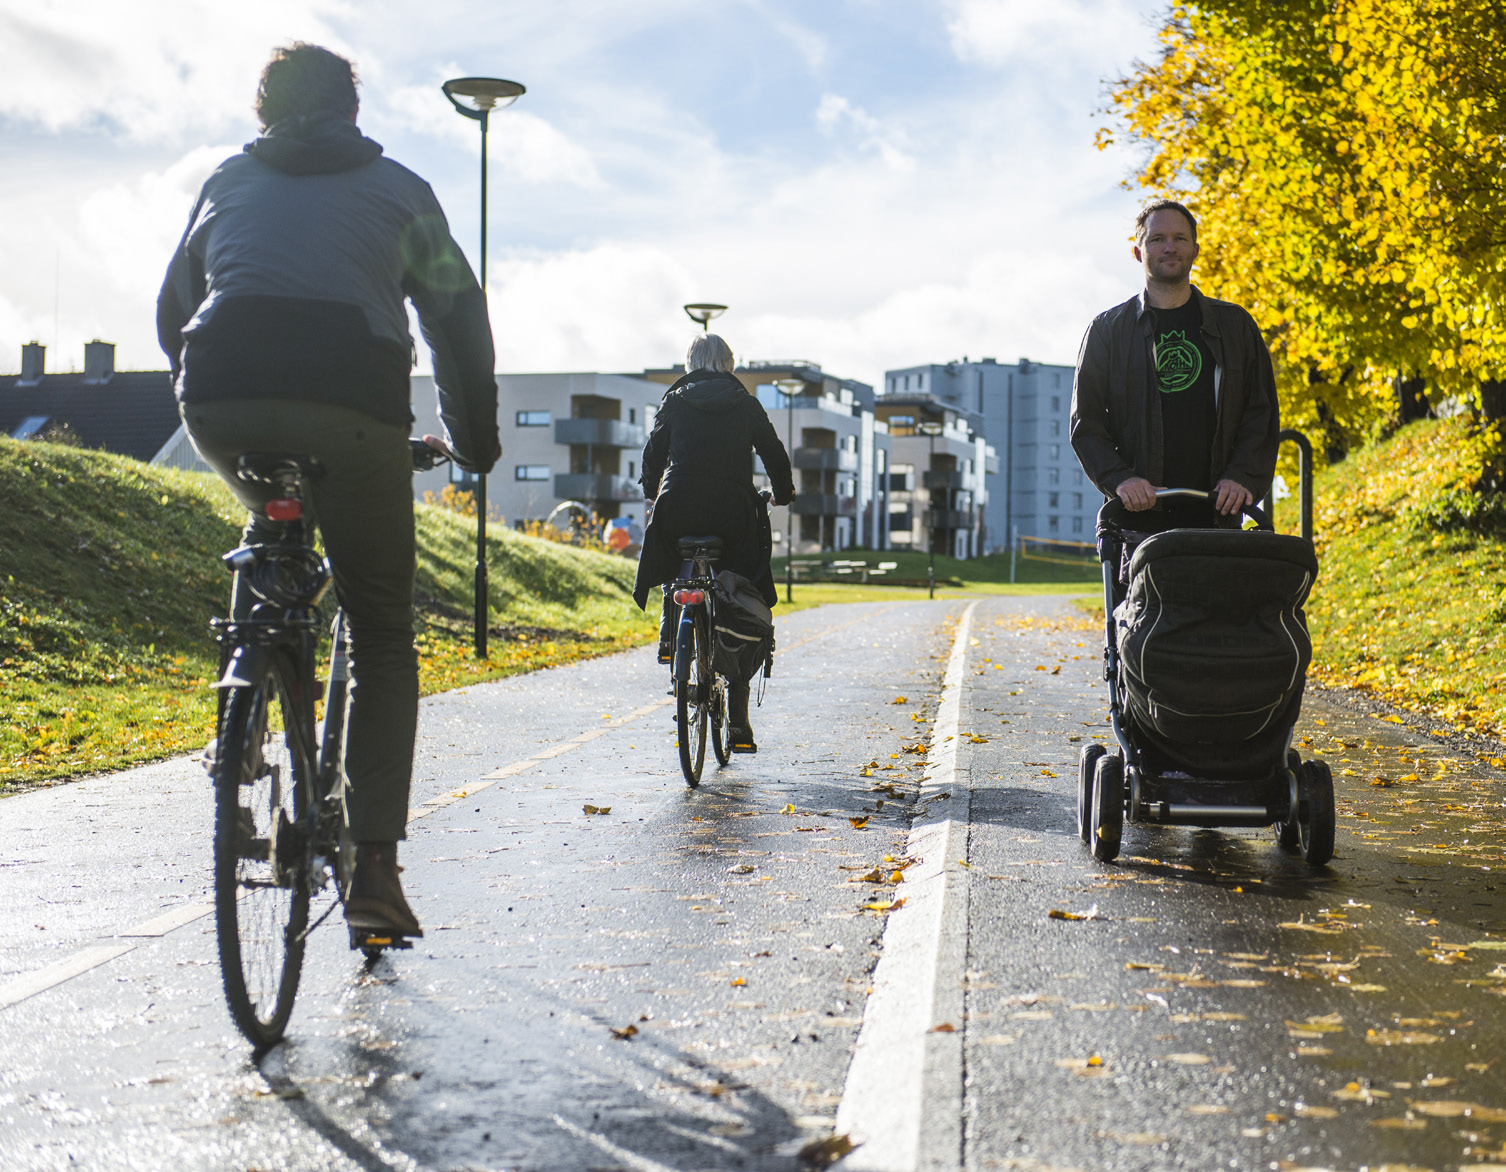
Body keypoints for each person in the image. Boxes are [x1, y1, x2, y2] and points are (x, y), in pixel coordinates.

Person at [157, 43, 500, 941]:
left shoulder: (227, 180)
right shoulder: (401, 191)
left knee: (264, 514)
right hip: (354, 404)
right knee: (383, 628)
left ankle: (239, 722)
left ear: (264, 109)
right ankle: (377, 878)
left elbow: (173, 309)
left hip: (221, 387)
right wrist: (475, 440)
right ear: (352, 109)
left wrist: (209, 391)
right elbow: (457, 319)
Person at [1070, 199, 1279, 529]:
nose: (1170, 247)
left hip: (1217, 517)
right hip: (1138, 521)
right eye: (1157, 239)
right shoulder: (1107, 331)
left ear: (1195, 250)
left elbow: (1261, 413)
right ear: (1138, 253)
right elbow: (1087, 424)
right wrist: (1121, 480)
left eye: (1180, 238)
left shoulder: (1235, 326)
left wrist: (1242, 477)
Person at [632, 334, 794, 752]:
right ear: (730, 363)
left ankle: (672, 633)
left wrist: (652, 492)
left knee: (674, 553)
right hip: (732, 513)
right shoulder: (744, 402)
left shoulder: (675, 400)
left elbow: (653, 454)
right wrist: (784, 493)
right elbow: (773, 453)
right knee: (741, 589)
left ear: (689, 363)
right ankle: (738, 719)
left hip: (679, 506)